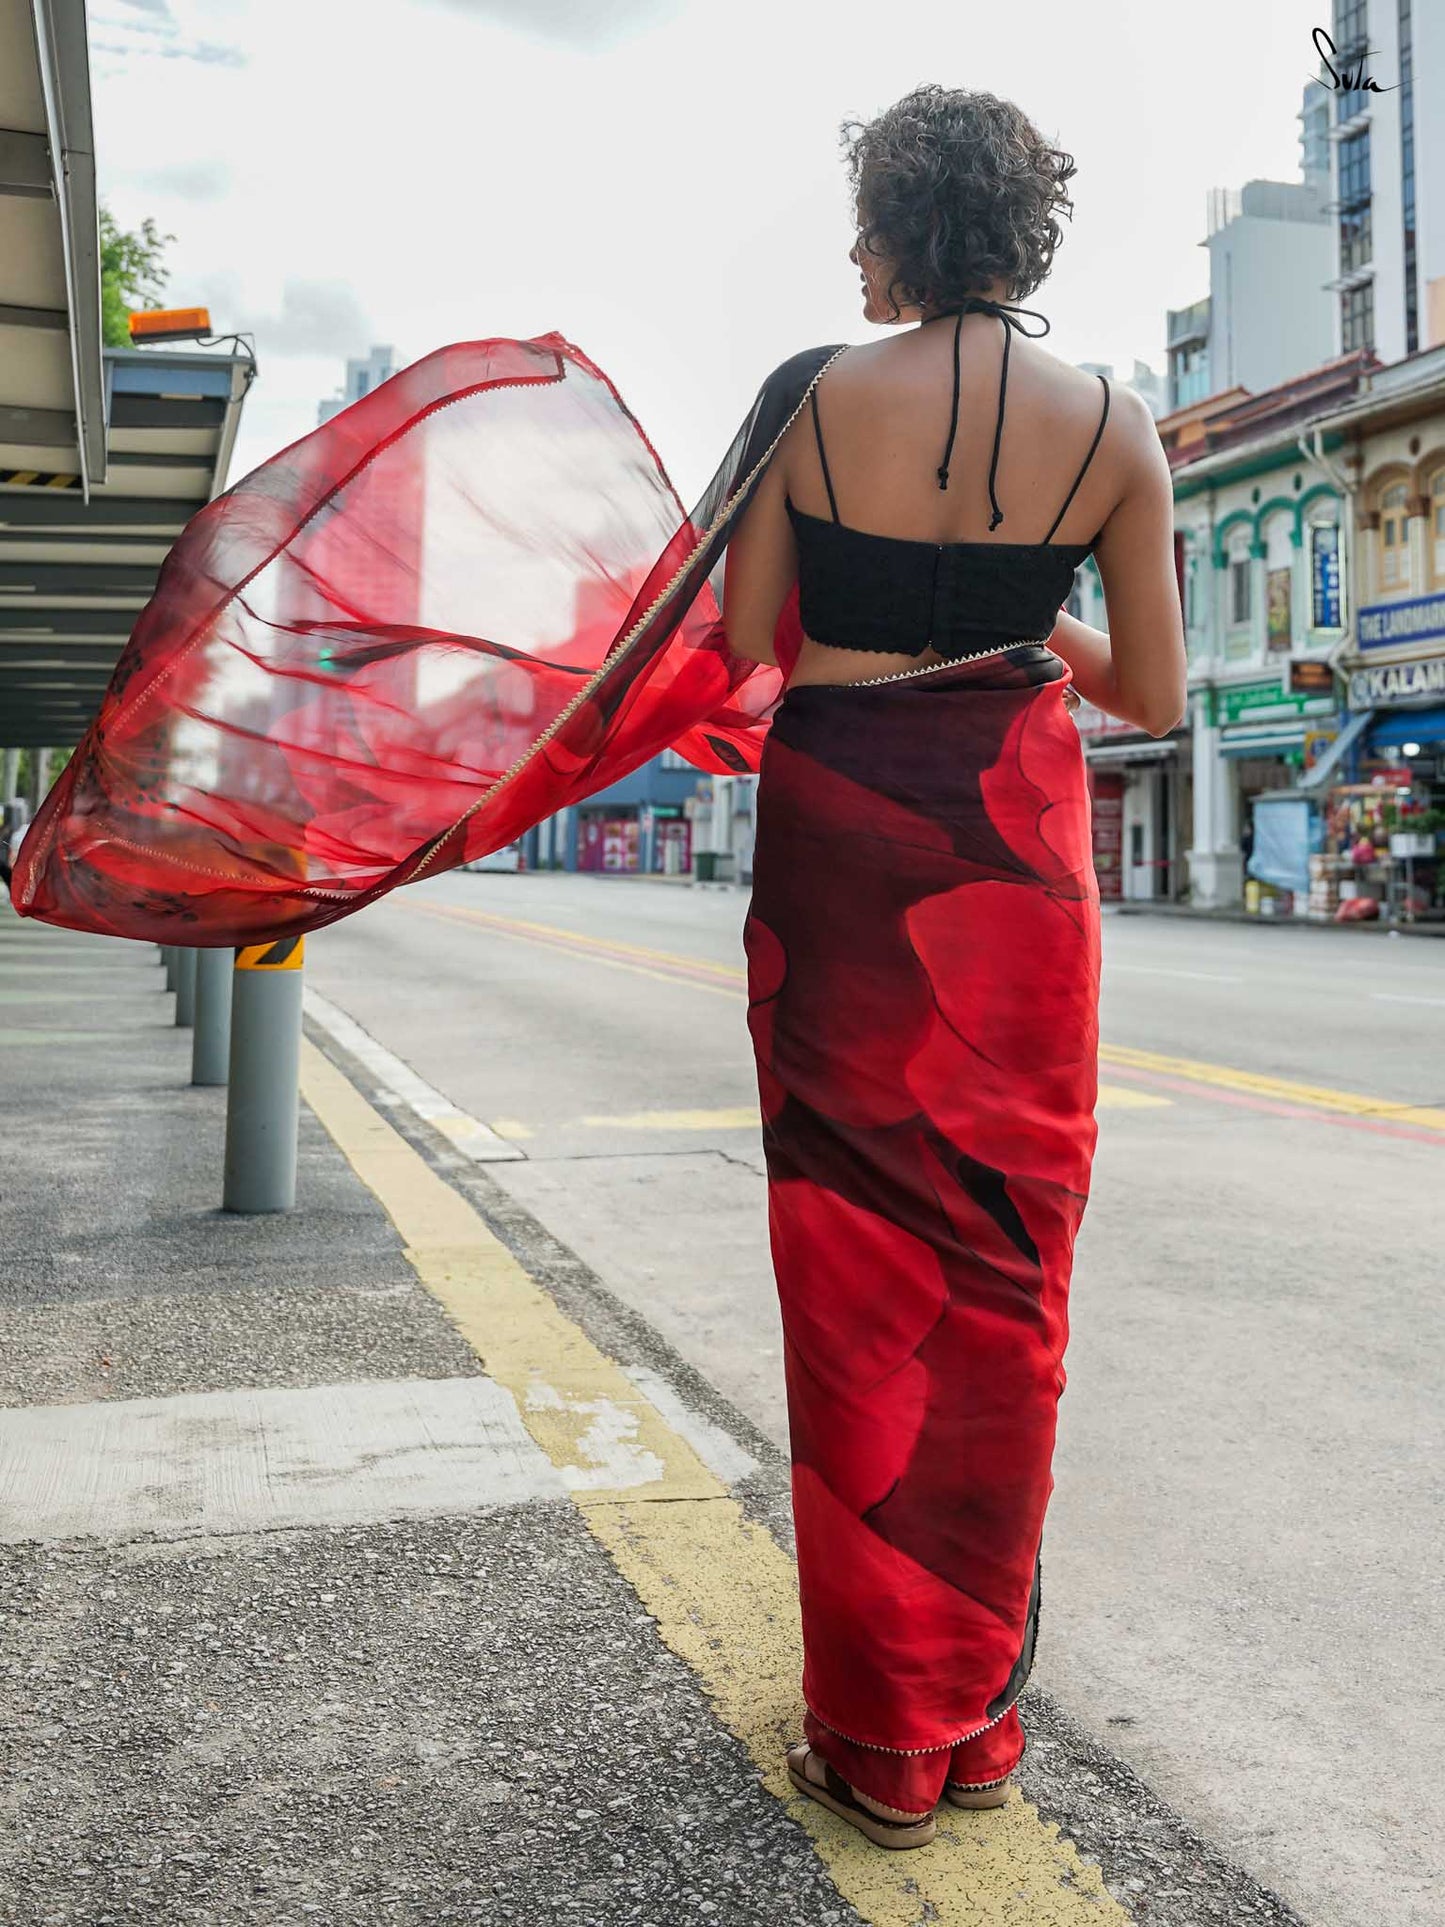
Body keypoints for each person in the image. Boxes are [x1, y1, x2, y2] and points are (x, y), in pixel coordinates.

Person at [720, 84, 1187, 1849]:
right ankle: (973, 1728)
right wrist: (1016, 606)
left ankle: (872, 1737)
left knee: (848, 1266)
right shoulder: (1117, 429)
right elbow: (1145, 693)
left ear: (893, 225)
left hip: (839, 840)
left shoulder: (819, 399)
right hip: (1014, 863)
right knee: (1002, 1277)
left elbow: (754, 634)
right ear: (1029, 230)